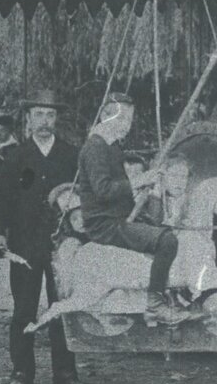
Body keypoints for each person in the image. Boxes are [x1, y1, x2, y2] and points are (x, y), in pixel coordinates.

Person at [0, 90, 82, 384]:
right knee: (24, 308)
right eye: (38, 115)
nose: (44, 121)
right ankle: (22, 372)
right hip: (24, 245)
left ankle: (65, 373)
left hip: (61, 246)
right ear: (28, 119)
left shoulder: (71, 155)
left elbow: (81, 201)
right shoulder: (16, 157)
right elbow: (1, 203)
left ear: (57, 120)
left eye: (50, 115)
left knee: (62, 306)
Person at [75, 93, 186, 324]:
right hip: (106, 224)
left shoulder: (110, 146)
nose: (127, 125)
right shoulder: (96, 147)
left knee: (164, 230)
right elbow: (103, 190)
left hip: (118, 218)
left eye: (129, 119)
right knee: (167, 241)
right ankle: (155, 304)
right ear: (105, 116)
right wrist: (140, 180)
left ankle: (170, 296)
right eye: (122, 118)